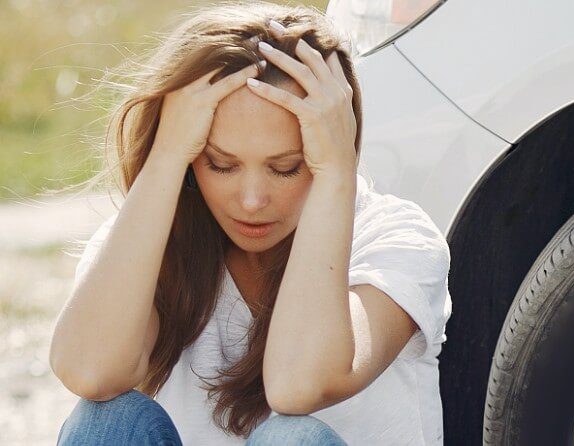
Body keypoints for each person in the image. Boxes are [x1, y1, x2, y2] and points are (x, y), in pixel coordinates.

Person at [49, 2, 452, 445]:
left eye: (286, 168)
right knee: (106, 421)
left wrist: (337, 176)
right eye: (221, 165)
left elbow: (299, 385)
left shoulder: (398, 239)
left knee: (293, 438)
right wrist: (165, 154)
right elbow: (88, 371)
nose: (252, 200)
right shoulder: (149, 243)